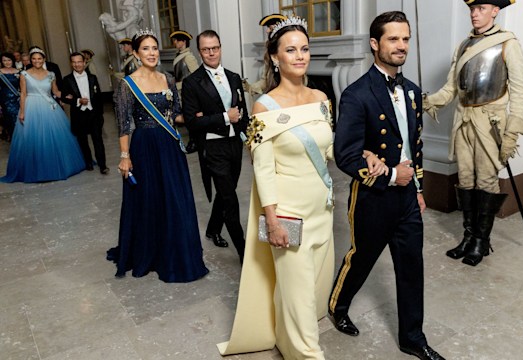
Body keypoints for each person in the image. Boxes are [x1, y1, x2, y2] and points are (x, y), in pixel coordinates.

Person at [216, 16, 386, 359]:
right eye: (290, 50)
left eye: (305, 49)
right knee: (295, 290)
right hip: (288, 214)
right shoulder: (264, 107)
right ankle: (307, 353)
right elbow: (262, 172)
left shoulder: (321, 98)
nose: (300, 56)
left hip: (322, 208)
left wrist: (363, 153)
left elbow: (328, 151)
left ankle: (285, 333)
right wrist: (273, 221)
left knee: (308, 289)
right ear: (275, 58)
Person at [328, 11, 444, 360]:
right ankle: (339, 305)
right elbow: (345, 154)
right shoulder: (356, 94)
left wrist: (418, 189)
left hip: (408, 197)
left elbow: (414, 146)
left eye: (405, 38)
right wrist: (393, 175)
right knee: (361, 258)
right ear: (375, 44)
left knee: (411, 266)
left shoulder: (411, 90)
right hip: (373, 196)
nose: (401, 46)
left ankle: (412, 337)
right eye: (393, 39)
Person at [424, 0, 523, 267]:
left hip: (490, 123)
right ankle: (468, 237)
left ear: (495, 11)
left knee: (486, 181)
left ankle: (481, 242)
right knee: (465, 179)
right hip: (463, 120)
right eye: (472, 9)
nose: (474, 14)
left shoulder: (509, 43)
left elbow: (521, 90)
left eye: (481, 8)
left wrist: (511, 133)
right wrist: (427, 101)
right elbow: (451, 88)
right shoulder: (463, 46)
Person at [106, 29, 209, 283]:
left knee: (175, 198)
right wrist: (124, 156)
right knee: (150, 200)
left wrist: (200, 116)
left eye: (154, 48)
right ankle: (150, 252)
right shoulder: (127, 84)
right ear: (137, 53)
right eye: (146, 49)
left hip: (169, 145)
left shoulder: (167, 79)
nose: (151, 53)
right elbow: (123, 124)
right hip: (143, 147)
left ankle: (177, 251)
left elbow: (174, 115)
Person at [182, 30, 248, 261]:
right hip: (213, 148)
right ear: (200, 51)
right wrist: (222, 117)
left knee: (226, 190)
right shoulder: (192, 83)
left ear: (220, 47)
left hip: (234, 145)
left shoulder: (233, 77)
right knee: (230, 199)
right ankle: (244, 251)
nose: (211, 53)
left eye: (215, 48)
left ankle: (212, 229)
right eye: (206, 49)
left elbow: (242, 111)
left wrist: (246, 137)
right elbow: (191, 121)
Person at [0, 48, 85, 183]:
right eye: (34, 59)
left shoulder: (51, 74)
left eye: (39, 58)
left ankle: (56, 166)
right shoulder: (24, 74)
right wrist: (22, 112)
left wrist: (69, 96)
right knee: (34, 138)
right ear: (30, 60)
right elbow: (23, 94)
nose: (37, 61)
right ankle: (36, 169)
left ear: (44, 59)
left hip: (49, 107)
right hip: (31, 106)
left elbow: (56, 92)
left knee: (54, 137)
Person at [61, 52, 109, 174]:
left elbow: (98, 97)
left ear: (84, 62)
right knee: (82, 141)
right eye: (74, 62)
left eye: (79, 62)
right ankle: (88, 162)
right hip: (79, 114)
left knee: (98, 139)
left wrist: (100, 114)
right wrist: (77, 100)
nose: (77, 64)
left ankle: (102, 165)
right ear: (71, 63)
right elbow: (64, 97)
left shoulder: (93, 78)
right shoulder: (67, 80)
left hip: (94, 114)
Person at [242, 13, 287, 96]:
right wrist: (250, 87)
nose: (267, 31)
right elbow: (265, 81)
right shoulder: (269, 52)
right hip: (275, 95)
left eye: (270, 28)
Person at [169, 29, 199, 154]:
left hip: (186, 92)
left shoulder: (189, 57)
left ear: (183, 42)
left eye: (177, 40)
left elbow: (196, 76)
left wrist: (178, 85)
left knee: (189, 117)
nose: (175, 43)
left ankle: (194, 141)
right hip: (181, 91)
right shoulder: (180, 56)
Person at [0, 52, 20, 141]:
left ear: (13, 60)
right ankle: (15, 143)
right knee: (11, 123)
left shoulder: (20, 72)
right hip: (6, 101)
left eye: (9, 60)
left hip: (19, 100)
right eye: (4, 60)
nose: (7, 62)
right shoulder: (0, 73)